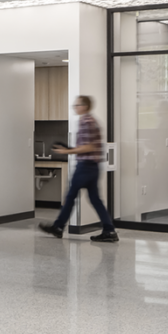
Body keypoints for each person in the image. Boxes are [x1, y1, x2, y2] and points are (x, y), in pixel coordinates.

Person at [39, 95, 118, 242]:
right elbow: (89, 145)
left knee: (70, 197)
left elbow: (89, 146)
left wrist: (67, 151)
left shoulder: (86, 122)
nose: (75, 107)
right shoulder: (91, 121)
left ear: (85, 106)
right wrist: (71, 149)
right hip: (92, 166)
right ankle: (109, 230)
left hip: (85, 167)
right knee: (95, 199)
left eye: (77, 105)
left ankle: (58, 227)